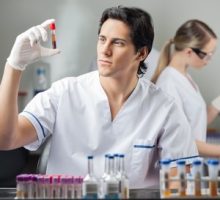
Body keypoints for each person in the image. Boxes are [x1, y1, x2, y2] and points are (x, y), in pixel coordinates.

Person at [0, 6, 198, 189]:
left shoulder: (165, 108)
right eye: (102, 39)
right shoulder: (64, 93)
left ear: (141, 53)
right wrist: (14, 66)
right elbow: (7, 140)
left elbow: (178, 185)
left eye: (118, 42)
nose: (105, 49)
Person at [152, 19, 220, 158]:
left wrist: (216, 105)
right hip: (178, 170)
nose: (209, 60)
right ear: (189, 52)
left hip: (192, 166)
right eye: (208, 55)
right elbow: (180, 140)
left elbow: (194, 124)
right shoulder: (168, 83)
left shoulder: (185, 78)